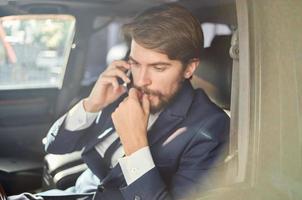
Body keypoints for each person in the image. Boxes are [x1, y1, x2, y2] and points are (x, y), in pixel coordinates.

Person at [9, 3, 229, 200]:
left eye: (158, 67)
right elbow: (55, 146)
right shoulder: (120, 90)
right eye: (135, 63)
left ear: (189, 68)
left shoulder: (211, 128)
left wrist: (135, 144)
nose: (141, 80)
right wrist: (92, 105)